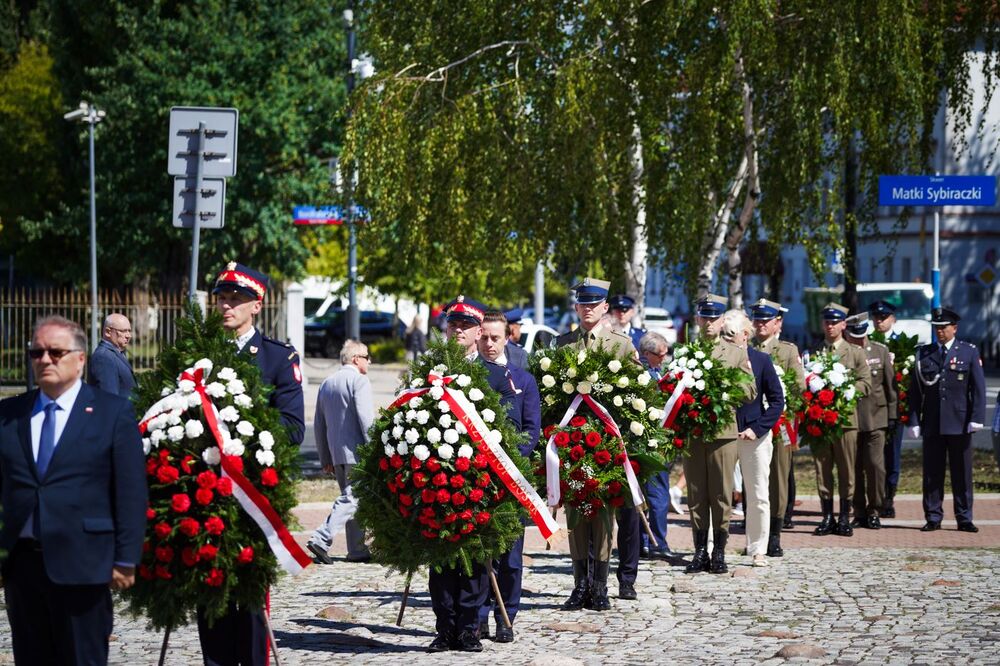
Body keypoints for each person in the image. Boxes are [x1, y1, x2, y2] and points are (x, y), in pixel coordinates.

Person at [1, 315, 147, 665]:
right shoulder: (9, 413)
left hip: (84, 563)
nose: (45, 360)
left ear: (80, 359)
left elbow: (130, 491)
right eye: (37, 353)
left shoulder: (112, 413)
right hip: (22, 566)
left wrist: (126, 557)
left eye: (55, 351)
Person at [200, 262, 305, 666]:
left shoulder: (277, 358)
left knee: (248, 599)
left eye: (236, 299)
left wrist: (239, 431)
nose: (226, 306)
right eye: (222, 298)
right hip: (206, 491)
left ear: (256, 305)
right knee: (207, 591)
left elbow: (293, 427)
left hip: (252, 492)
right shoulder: (200, 355)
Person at [428, 296, 519, 653]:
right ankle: (444, 627)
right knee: (440, 558)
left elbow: (510, 431)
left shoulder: (496, 376)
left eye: (466, 325)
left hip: (479, 482)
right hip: (434, 482)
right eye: (453, 324)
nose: (458, 330)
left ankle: (468, 628)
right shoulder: (429, 373)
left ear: (479, 331)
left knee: (474, 560)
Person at [555, 278, 637, 610]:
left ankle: (600, 583)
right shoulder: (563, 346)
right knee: (576, 514)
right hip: (573, 442)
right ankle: (580, 584)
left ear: (605, 307)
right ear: (576, 307)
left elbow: (637, 397)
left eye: (594, 304)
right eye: (582, 304)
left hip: (606, 443)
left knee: (603, 516)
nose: (587, 309)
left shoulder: (621, 346)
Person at [476, 310, 540, 643]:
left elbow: (532, 429)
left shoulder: (523, 379)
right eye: (484, 336)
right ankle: (479, 616)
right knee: (477, 553)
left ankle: (506, 616)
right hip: (475, 478)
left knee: (510, 557)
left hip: (512, 477)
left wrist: (511, 457)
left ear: (507, 338)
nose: (489, 343)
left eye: (495, 337)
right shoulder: (468, 377)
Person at [683, 295, 756, 575]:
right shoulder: (687, 351)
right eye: (705, 316)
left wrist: (723, 389)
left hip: (723, 431)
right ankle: (700, 550)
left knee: (722, 494)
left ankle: (720, 551)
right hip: (695, 432)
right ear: (698, 319)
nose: (710, 322)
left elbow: (750, 391)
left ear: (722, 320)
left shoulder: (736, 352)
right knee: (697, 493)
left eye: (715, 317)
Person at [909, 307, 986, 533]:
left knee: (962, 473)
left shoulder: (968, 352)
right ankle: (933, 516)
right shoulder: (924, 353)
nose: (940, 332)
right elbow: (916, 391)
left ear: (955, 328)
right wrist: (914, 420)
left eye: (944, 328)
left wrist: (977, 418)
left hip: (960, 423)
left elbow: (978, 389)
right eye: (937, 328)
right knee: (932, 473)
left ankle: (964, 517)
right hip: (933, 423)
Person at [723, 310, 783, 567]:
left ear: (745, 335)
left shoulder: (761, 360)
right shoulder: (717, 359)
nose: (725, 340)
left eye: (730, 335)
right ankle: (715, 547)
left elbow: (777, 401)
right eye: (722, 335)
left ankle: (758, 548)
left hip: (753, 435)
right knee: (720, 493)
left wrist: (757, 429)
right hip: (723, 434)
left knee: (757, 493)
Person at [306, 339, 374, 564]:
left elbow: (319, 423)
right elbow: (367, 420)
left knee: (353, 500)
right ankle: (321, 538)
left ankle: (357, 549)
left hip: (336, 454)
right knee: (352, 499)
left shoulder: (327, 382)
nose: (369, 361)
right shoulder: (359, 381)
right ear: (356, 359)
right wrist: (374, 449)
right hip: (358, 452)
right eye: (366, 357)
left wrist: (325, 457)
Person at [749, 299, 804, 557]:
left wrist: (780, 409)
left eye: (765, 320)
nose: (760, 324)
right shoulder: (744, 349)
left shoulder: (787, 351)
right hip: (752, 422)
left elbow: (798, 388)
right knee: (753, 476)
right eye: (757, 319)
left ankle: (774, 534)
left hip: (779, 422)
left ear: (776, 323)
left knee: (778, 478)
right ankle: (755, 527)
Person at [811, 303, 871, 538]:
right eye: (827, 322)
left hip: (845, 420)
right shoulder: (816, 352)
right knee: (822, 469)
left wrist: (845, 389)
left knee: (847, 469)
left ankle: (845, 515)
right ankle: (827, 516)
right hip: (821, 422)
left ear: (844, 325)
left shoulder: (854, 352)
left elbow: (866, 383)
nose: (830, 326)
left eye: (835, 322)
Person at [846, 315, 896, 529]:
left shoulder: (879, 351)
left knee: (875, 465)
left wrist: (893, 415)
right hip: (852, 418)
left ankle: (875, 508)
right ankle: (859, 511)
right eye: (854, 336)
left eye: (861, 335)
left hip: (877, 417)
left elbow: (889, 385)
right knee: (855, 467)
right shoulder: (845, 353)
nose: (859, 340)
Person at [637, 331, 673, 558]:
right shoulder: (642, 376)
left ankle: (649, 541)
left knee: (653, 496)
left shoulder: (662, 373)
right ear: (646, 354)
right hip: (647, 444)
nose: (664, 358)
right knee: (652, 495)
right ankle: (654, 542)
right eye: (660, 354)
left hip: (658, 443)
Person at [870, 300, 905, 518]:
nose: (880, 321)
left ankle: (888, 499)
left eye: (884, 318)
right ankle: (874, 497)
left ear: (893, 319)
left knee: (892, 455)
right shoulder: (866, 343)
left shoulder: (902, 344)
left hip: (892, 409)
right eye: (877, 318)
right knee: (872, 457)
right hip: (871, 411)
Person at [88, 312, 137, 398]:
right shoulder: (103, 357)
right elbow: (109, 398)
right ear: (108, 332)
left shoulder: (115, 353)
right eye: (123, 331)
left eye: (129, 331)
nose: (128, 335)